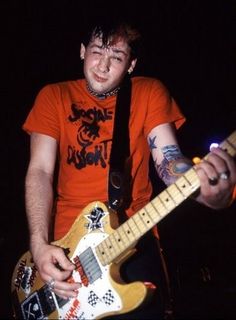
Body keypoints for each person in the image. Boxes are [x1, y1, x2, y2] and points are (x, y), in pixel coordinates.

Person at [22, 20, 236, 319]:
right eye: (97, 51)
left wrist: (205, 191)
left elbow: (169, 160)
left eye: (117, 58)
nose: (103, 65)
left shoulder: (149, 92)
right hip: (67, 251)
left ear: (131, 64)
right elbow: (40, 172)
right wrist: (39, 245)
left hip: (134, 240)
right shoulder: (53, 96)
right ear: (83, 51)